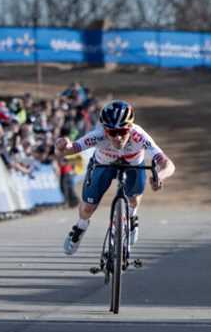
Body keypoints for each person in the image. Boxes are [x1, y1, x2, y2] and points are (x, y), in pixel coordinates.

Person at [55, 100, 175, 255]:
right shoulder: (98, 135)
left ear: (130, 128)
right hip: (103, 164)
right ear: (105, 130)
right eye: (112, 133)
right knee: (87, 207)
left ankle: (132, 218)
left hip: (133, 165)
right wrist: (62, 145)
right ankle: (80, 226)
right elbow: (71, 149)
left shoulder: (139, 136)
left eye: (123, 132)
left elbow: (168, 164)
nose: (118, 137)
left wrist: (160, 176)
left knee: (133, 197)